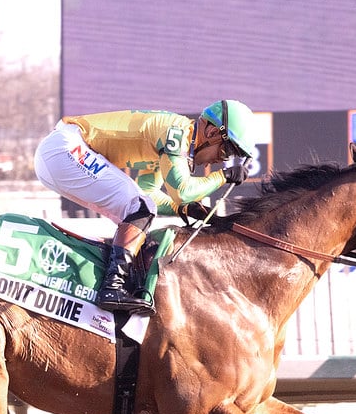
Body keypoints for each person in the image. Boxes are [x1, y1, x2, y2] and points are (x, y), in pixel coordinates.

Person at [34, 100, 257, 314]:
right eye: (226, 152)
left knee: (139, 206)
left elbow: (149, 194)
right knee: (138, 206)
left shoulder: (170, 144)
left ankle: (114, 280)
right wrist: (223, 176)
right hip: (64, 149)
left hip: (58, 155)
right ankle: (113, 286)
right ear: (212, 132)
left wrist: (184, 210)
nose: (220, 160)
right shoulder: (176, 133)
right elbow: (183, 192)